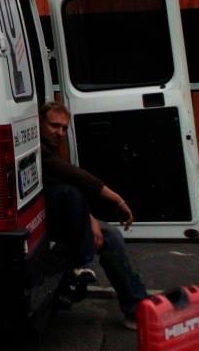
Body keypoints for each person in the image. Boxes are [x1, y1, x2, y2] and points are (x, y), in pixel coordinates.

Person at [39, 101, 148, 330]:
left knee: (110, 235)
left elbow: (72, 185)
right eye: (54, 126)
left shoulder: (55, 148)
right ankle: (84, 266)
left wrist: (89, 219)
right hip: (44, 219)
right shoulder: (40, 151)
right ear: (40, 123)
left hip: (63, 212)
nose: (60, 132)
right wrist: (117, 200)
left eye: (64, 128)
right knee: (105, 233)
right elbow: (78, 178)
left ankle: (138, 308)